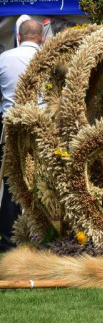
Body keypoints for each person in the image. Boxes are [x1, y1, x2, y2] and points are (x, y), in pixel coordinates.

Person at [0, 19, 44, 251]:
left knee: (12, 185)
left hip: (12, 128)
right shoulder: (48, 58)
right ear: (42, 37)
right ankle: (43, 235)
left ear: (18, 35)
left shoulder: (4, 58)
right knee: (43, 183)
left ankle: (8, 240)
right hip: (42, 129)